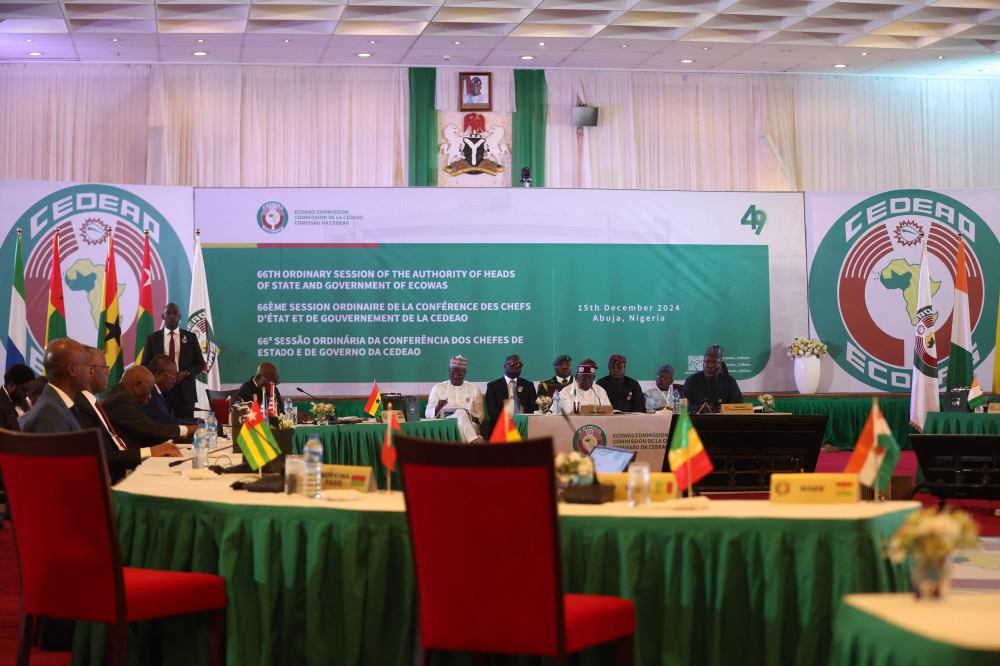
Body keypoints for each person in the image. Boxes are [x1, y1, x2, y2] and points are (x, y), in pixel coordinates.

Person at [75, 347, 181, 482]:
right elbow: (97, 456)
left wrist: (158, 449)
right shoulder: (82, 405)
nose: (109, 371)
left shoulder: (92, 402)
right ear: (89, 370)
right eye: (104, 367)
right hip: (117, 477)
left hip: (125, 466)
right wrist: (150, 451)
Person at [101, 366, 199, 449]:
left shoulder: (118, 394)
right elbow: (151, 428)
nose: (150, 396)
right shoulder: (121, 400)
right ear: (137, 385)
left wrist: (179, 435)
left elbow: (144, 432)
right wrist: (190, 429)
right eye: (149, 389)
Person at [141, 303, 205, 419]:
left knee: (186, 426)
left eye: (175, 313)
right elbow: (145, 364)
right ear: (162, 316)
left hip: (184, 391)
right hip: (160, 390)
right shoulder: (153, 338)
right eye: (168, 313)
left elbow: (200, 363)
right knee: (160, 423)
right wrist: (160, 377)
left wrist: (186, 372)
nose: (171, 316)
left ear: (179, 317)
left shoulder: (190, 337)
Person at [425, 356, 485, 443]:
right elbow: (428, 414)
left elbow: (481, 416)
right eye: (453, 373)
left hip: (470, 424)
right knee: (460, 412)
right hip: (447, 425)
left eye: (459, 374)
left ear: (465, 373)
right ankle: (474, 441)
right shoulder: (438, 388)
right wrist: (439, 406)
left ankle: (469, 443)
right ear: (449, 371)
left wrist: (473, 418)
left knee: (461, 414)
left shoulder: (474, 389)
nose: (456, 376)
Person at [484, 355, 537, 439]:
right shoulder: (493, 386)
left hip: (524, 424)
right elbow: (492, 410)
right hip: (502, 425)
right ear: (505, 366)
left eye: (519, 365)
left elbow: (533, 407)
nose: (516, 366)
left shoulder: (528, 385)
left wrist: (525, 421)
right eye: (513, 364)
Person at [682, 344, 743, 413]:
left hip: (724, 421)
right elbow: (682, 406)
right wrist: (699, 407)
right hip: (697, 421)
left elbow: (739, 405)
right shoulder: (692, 380)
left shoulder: (729, 381)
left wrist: (724, 408)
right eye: (707, 362)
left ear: (720, 365)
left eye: (714, 362)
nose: (709, 366)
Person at [143, 354, 200, 426]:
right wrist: (197, 424)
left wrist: (197, 420)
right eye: (172, 377)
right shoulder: (152, 394)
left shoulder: (157, 392)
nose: (175, 381)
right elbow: (169, 421)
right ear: (158, 374)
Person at [0, 364, 34, 431]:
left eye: (29, 390)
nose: (27, 394)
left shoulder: (22, 400)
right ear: (11, 385)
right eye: (24, 390)